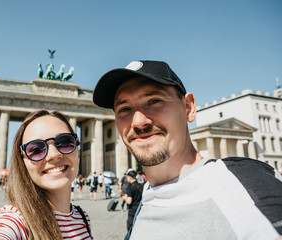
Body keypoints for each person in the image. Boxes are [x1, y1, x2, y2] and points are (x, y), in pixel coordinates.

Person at [93, 60, 282, 239]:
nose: (139, 122)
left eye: (154, 101)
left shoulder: (243, 187)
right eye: (124, 109)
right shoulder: (149, 192)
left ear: (188, 107)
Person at [0, 110, 92, 240]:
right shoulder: (15, 220)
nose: (53, 155)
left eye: (65, 142)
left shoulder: (82, 217)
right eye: (36, 149)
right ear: (23, 162)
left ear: (77, 151)